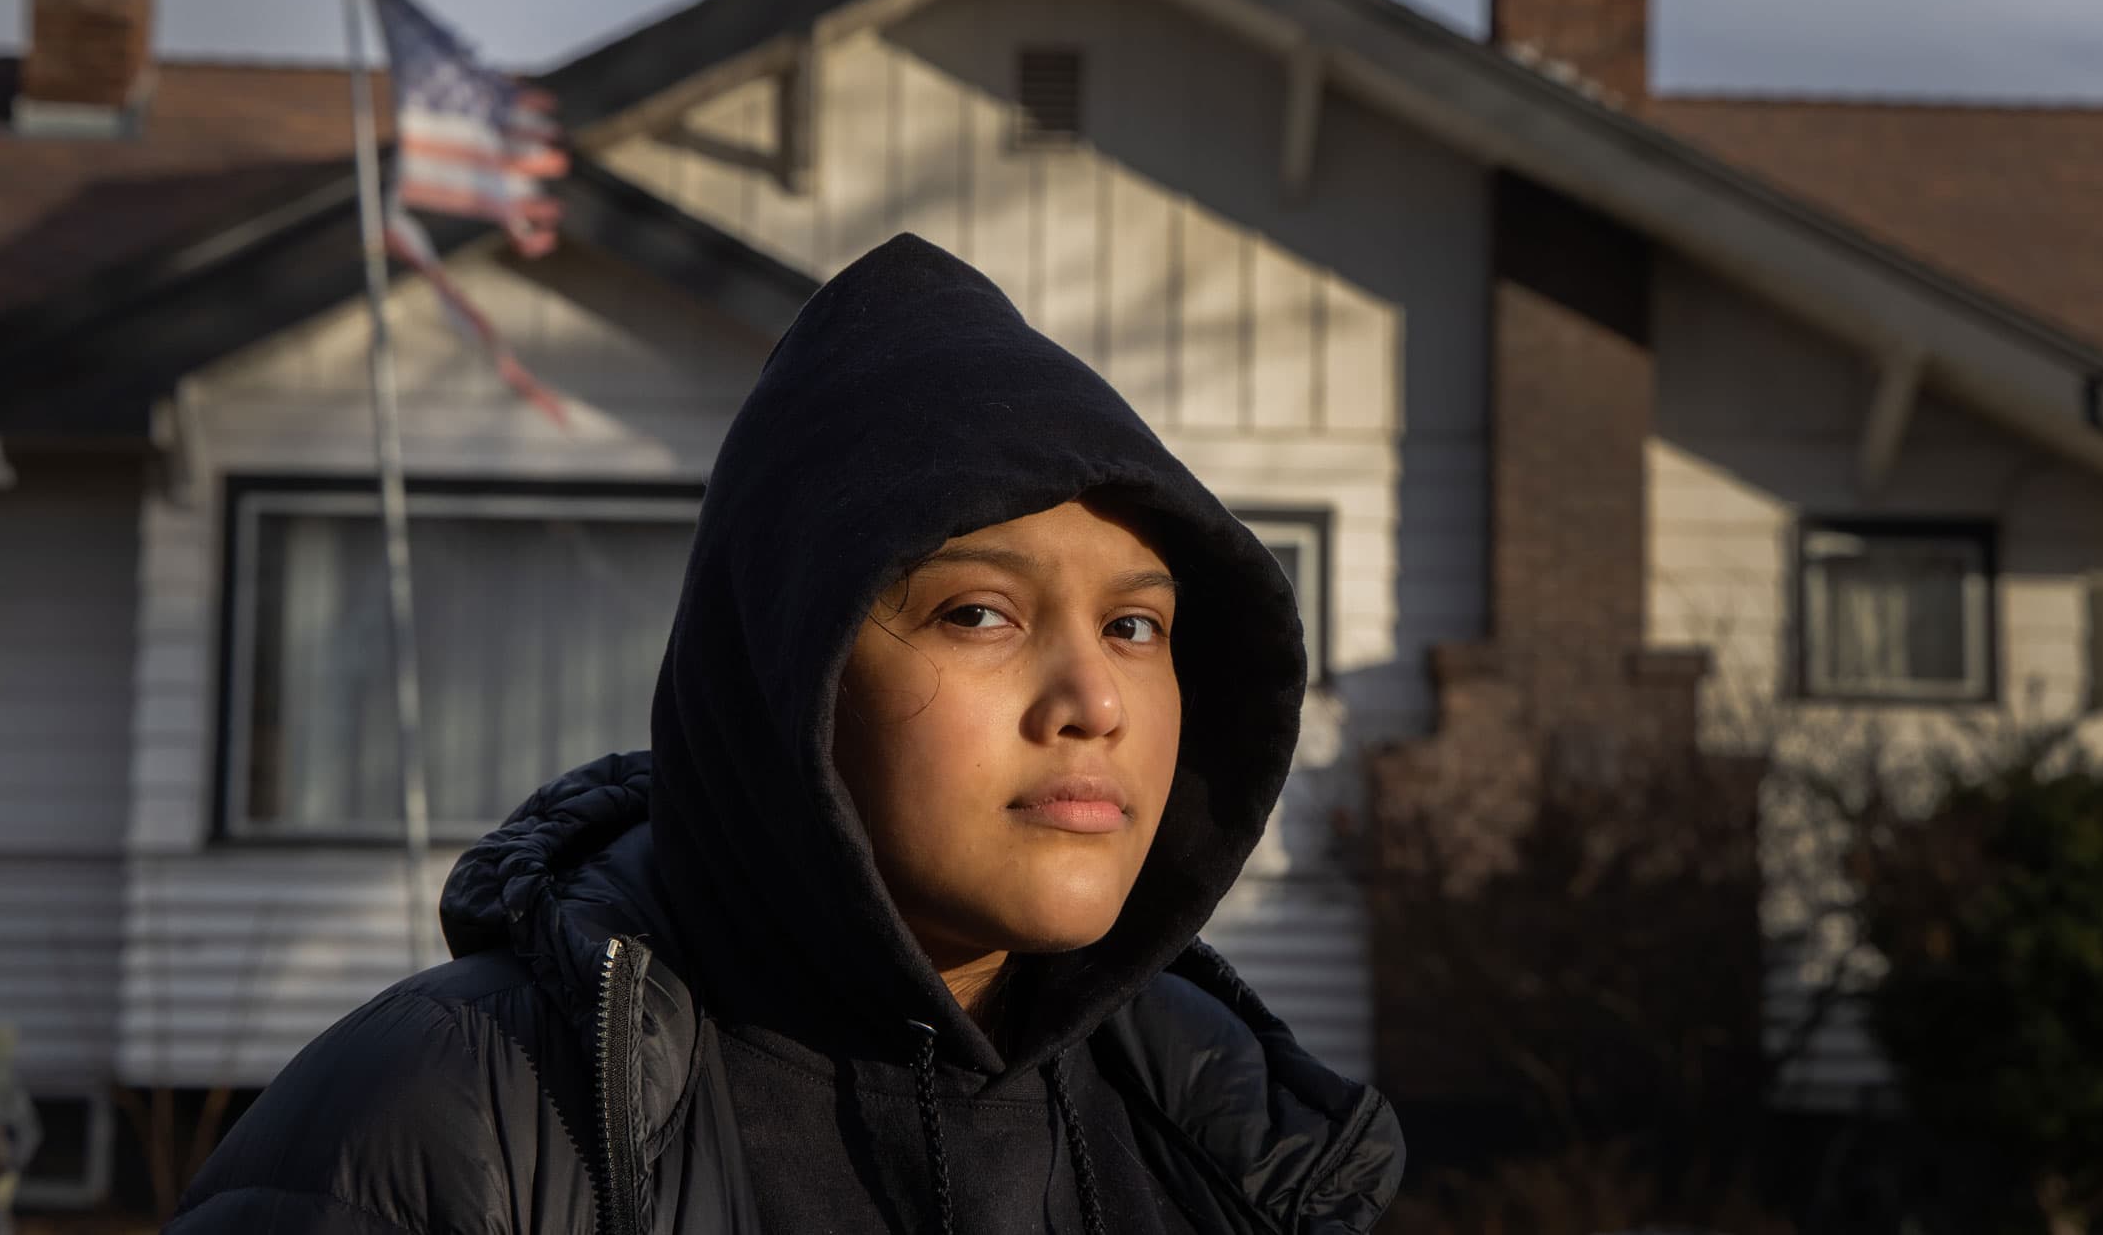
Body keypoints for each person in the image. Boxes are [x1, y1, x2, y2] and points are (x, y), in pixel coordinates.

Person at [169, 235, 1403, 1234]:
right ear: (787, 670)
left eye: (1137, 624)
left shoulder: (1241, 1147)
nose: (1096, 700)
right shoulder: (450, 1119)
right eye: (979, 612)